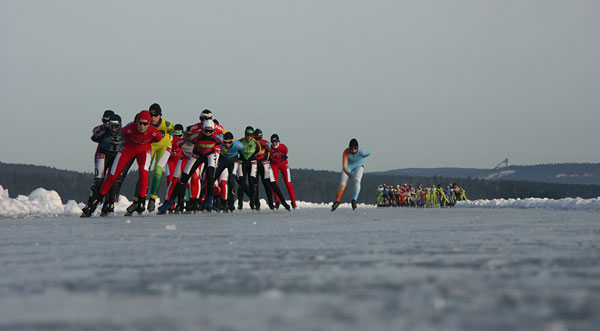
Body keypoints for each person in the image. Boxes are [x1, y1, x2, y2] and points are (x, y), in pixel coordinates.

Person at [90, 110, 162, 215]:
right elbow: (123, 134)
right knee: (113, 174)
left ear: (149, 124)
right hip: (129, 148)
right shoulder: (129, 129)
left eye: (145, 124)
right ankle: (100, 197)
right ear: (136, 122)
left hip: (144, 149)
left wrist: (145, 142)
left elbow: (157, 139)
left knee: (144, 172)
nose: (142, 126)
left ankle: (141, 200)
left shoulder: (154, 132)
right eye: (140, 123)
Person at [158, 119, 221, 213]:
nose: (207, 133)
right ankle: (169, 202)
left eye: (210, 131)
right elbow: (180, 143)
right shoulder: (196, 136)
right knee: (183, 178)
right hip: (197, 155)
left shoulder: (217, 137)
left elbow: (227, 143)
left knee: (210, 177)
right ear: (202, 130)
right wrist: (186, 141)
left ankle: (208, 203)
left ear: (213, 131)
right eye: (205, 131)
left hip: (209, 155)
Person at [126, 103, 174, 214]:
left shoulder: (166, 124)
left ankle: (153, 198)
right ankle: (137, 201)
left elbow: (173, 131)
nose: (153, 119)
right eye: (151, 116)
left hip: (164, 146)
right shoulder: (146, 123)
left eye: (155, 116)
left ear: (160, 116)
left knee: (158, 169)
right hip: (151, 146)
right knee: (144, 171)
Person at [81, 112, 124, 217]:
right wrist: (103, 131)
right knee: (98, 180)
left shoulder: (124, 133)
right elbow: (94, 137)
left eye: (116, 126)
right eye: (111, 125)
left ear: (120, 125)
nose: (113, 129)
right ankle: (91, 203)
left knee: (113, 179)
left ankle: (109, 203)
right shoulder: (104, 130)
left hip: (116, 155)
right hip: (103, 154)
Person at [331, 138, 370, 211]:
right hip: (348, 167)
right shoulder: (346, 152)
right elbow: (345, 167)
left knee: (357, 180)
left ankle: (354, 200)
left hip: (358, 166)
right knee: (343, 183)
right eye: (351, 149)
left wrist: (361, 157)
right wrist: (349, 174)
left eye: (355, 148)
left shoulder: (362, 151)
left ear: (358, 147)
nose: (353, 150)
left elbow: (369, 153)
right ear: (349, 148)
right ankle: (337, 201)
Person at [213, 131, 245, 212]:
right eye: (225, 142)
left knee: (231, 180)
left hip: (233, 161)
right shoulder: (220, 142)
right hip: (223, 160)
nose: (227, 144)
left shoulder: (238, 145)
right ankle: (212, 201)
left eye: (230, 142)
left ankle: (230, 203)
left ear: (233, 141)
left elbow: (245, 149)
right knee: (212, 178)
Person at [269, 133, 297, 209]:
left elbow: (285, 154)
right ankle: (277, 201)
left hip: (283, 164)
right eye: (273, 142)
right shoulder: (270, 149)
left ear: (279, 141)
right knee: (274, 183)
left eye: (276, 141)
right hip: (274, 165)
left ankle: (293, 202)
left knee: (288, 182)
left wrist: (282, 159)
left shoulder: (283, 147)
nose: (274, 143)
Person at [236, 126, 260, 210]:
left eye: (251, 135)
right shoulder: (240, 141)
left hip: (252, 162)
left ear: (253, 135)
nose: (249, 136)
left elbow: (258, 150)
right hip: (242, 162)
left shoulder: (256, 143)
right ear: (245, 134)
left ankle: (252, 202)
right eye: (247, 134)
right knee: (241, 183)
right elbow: (237, 149)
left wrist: (252, 157)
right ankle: (240, 203)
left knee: (252, 183)